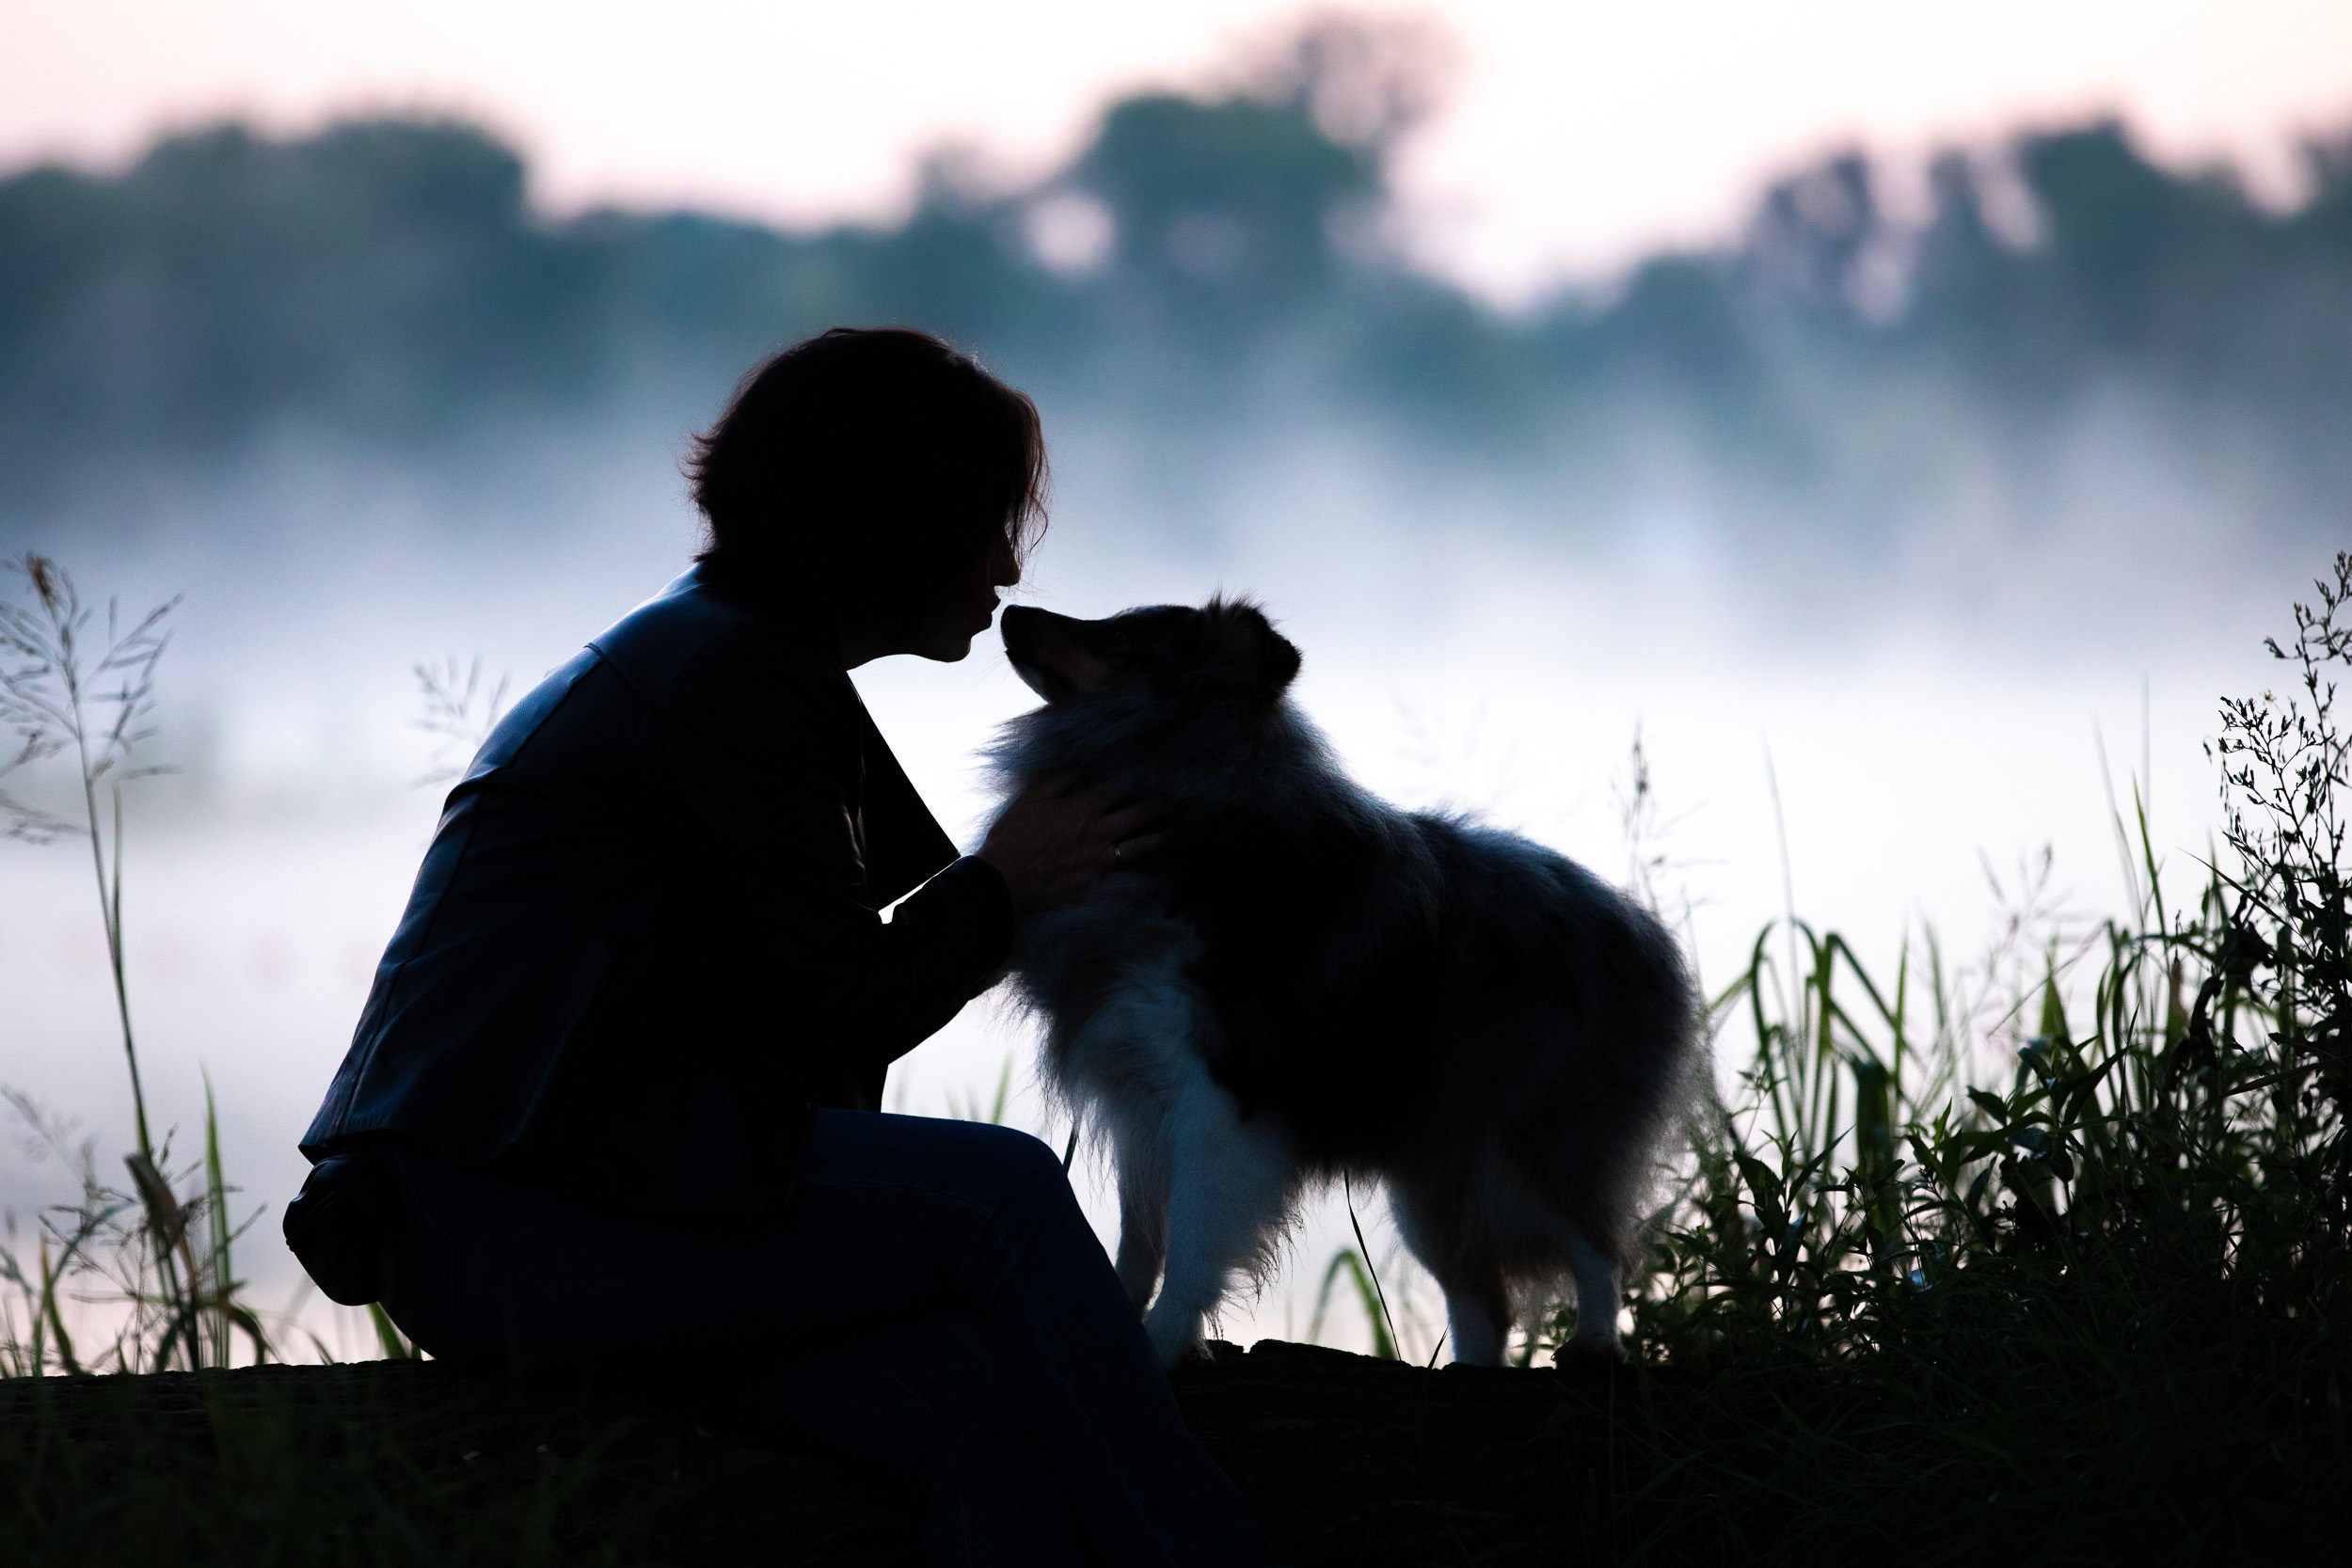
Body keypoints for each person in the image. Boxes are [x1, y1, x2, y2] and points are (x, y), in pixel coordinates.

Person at [284, 327, 1279, 1567]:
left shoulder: (724, 653)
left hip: (561, 1218)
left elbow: (782, 1029)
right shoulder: (725, 680)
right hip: (522, 1224)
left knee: (975, 1407)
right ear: (890, 523)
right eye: (983, 521)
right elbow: (835, 1010)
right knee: (1003, 1198)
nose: (1010, 567)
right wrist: (1004, 888)